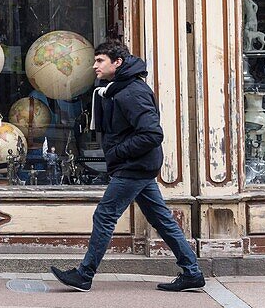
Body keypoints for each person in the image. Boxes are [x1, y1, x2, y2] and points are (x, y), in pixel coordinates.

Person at [51, 41, 205, 293]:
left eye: (100, 60)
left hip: (132, 167)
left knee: (104, 215)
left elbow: (152, 134)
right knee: (161, 219)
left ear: (117, 63)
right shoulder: (116, 89)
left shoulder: (131, 92)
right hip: (138, 166)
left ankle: (84, 275)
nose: (94, 66)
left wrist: (116, 153)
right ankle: (192, 272)